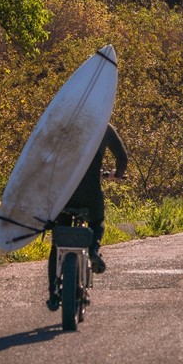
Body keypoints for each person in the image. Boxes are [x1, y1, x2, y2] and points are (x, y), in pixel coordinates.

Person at [47, 122, 127, 310]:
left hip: (65, 194)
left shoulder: (64, 123)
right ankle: (93, 250)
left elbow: (45, 154)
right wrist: (117, 174)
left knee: (58, 240)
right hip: (90, 193)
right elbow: (122, 157)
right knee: (97, 222)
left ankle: (53, 292)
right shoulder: (103, 126)